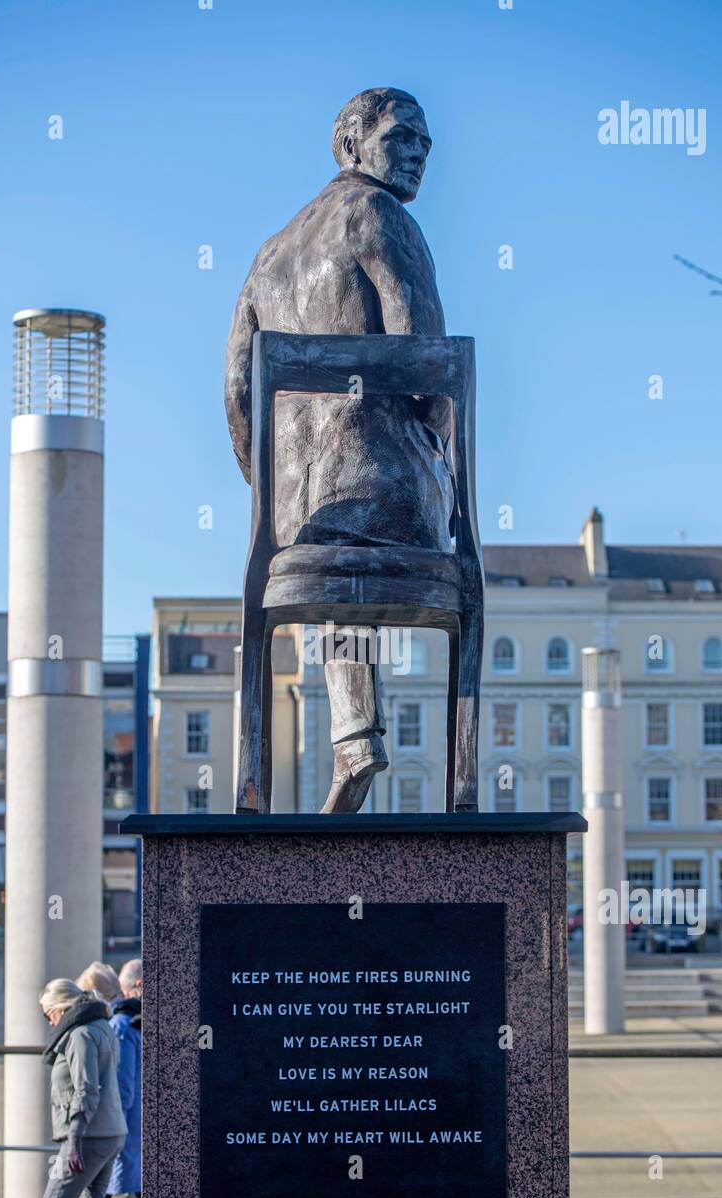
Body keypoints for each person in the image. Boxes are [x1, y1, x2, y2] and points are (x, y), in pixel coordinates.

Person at [225, 87, 452, 812]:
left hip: (297, 524)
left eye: (427, 144)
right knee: (394, 504)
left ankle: (355, 737)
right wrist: (447, 455)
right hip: (389, 498)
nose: (419, 153)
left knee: (332, 536)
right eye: (404, 137)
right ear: (352, 144)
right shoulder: (380, 214)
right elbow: (428, 363)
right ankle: (361, 739)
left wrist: (269, 500)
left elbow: (235, 392)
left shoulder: (268, 256)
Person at [39, 978, 127, 1198]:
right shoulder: (100, 1026)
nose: (48, 1019)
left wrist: (74, 1137)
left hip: (89, 1135)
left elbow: (87, 1090)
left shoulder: (79, 1035)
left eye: (48, 1012)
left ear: (61, 1007)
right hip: (110, 1131)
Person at [108, 959, 142, 1198]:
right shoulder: (143, 1021)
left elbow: (122, 1088)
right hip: (140, 1131)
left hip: (125, 1130)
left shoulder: (122, 1025)